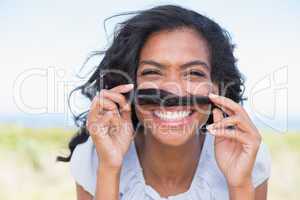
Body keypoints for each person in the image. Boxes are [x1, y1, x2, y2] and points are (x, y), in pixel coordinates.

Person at [58, 4, 271, 200]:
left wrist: (240, 184)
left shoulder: (247, 157)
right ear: (127, 85)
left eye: (194, 73)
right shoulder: (94, 159)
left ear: (218, 86)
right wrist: (110, 168)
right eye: (152, 72)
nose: (172, 90)